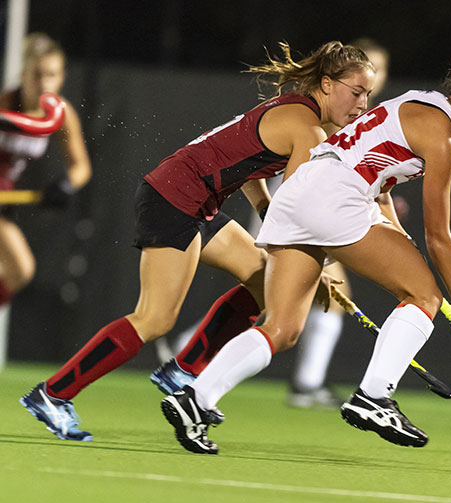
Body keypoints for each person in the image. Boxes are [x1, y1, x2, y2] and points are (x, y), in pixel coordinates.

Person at [161, 32, 451, 455]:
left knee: (281, 328)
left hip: (299, 194)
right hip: (335, 200)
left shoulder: (413, 101)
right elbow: (439, 237)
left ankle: (195, 401)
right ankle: (374, 397)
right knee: (423, 296)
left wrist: (392, 236)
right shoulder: (443, 139)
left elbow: (377, 177)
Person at [20, 41, 376, 441]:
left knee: (263, 280)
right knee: (155, 318)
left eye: (368, 94)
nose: (363, 104)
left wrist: (273, 228)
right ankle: (53, 394)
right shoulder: (307, 129)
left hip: (197, 200)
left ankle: (183, 370)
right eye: (357, 92)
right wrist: (312, 271)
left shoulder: (293, 108)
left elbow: (251, 170)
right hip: (175, 200)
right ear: (327, 85)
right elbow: (296, 218)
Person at [287, 37, 391, 408]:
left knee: (279, 300)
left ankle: (306, 385)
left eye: (376, 74)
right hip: (296, 206)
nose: (370, 83)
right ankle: (305, 386)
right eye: (364, 76)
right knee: (280, 300)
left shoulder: (364, 113)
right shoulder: (336, 114)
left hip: (320, 212)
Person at [0, 33, 91, 309]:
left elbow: (81, 167)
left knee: (20, 270)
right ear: (23, 74)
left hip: (5, 200)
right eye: (37, 75)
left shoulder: (63, 116)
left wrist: (66, 184)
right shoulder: (6, 103)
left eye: (51, 75)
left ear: (62, 77)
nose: (44, 84)